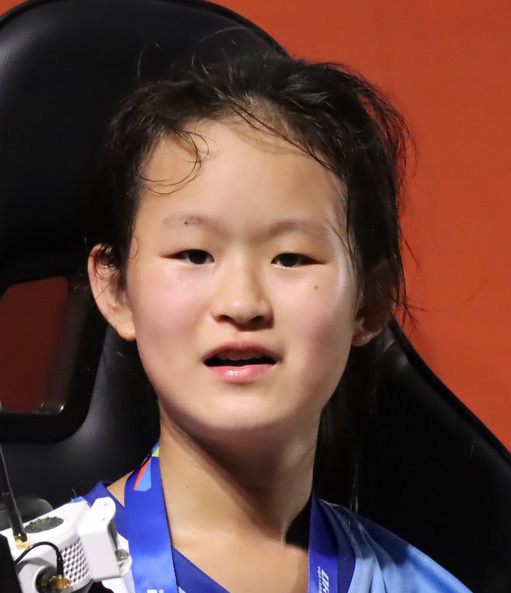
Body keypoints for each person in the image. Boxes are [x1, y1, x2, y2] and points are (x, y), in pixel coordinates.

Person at [81, 53, 472, 593]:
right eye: (194, 254)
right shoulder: (43, 574)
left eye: (290, 258)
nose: (242, 304)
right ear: (118, 290)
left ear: (369, 301)